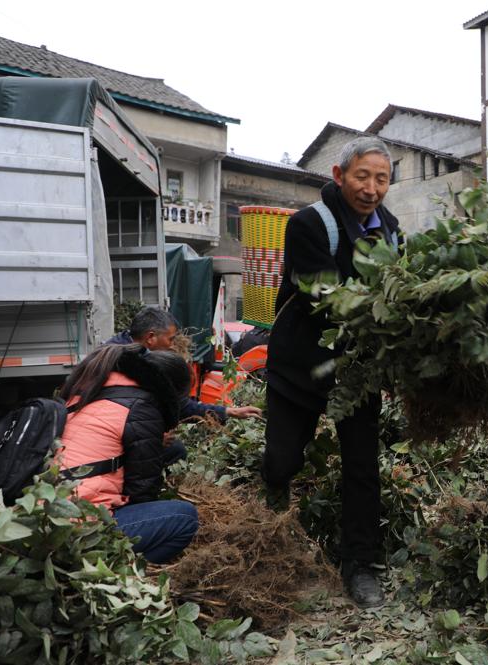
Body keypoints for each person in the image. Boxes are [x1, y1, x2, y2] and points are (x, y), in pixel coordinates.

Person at [262, 136, 400, 608]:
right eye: (363, 176)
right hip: (300, 365)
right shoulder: (308, 225)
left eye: (381, 178)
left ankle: (361, 563)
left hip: (356, 372)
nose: (371, 187)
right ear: (340, 176)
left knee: (363, 469)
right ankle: (273, 497)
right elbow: (326, 297)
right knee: (282, 461)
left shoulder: (392, 231)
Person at [56, 344, 199, 563]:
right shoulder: (142, 406)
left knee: (173, 450)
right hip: (80, 528)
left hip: (53, 512)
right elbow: (141, 490)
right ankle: (122, 570)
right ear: (168, 391)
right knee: (185, 518)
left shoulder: (95, 388)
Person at [107, 306, 262, 423]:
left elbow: (179, 405)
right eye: (171, 339)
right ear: (151, 338)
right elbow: (179, 406)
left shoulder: (122, 350)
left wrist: (229, 412)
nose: (172, 345)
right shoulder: (125, 365)